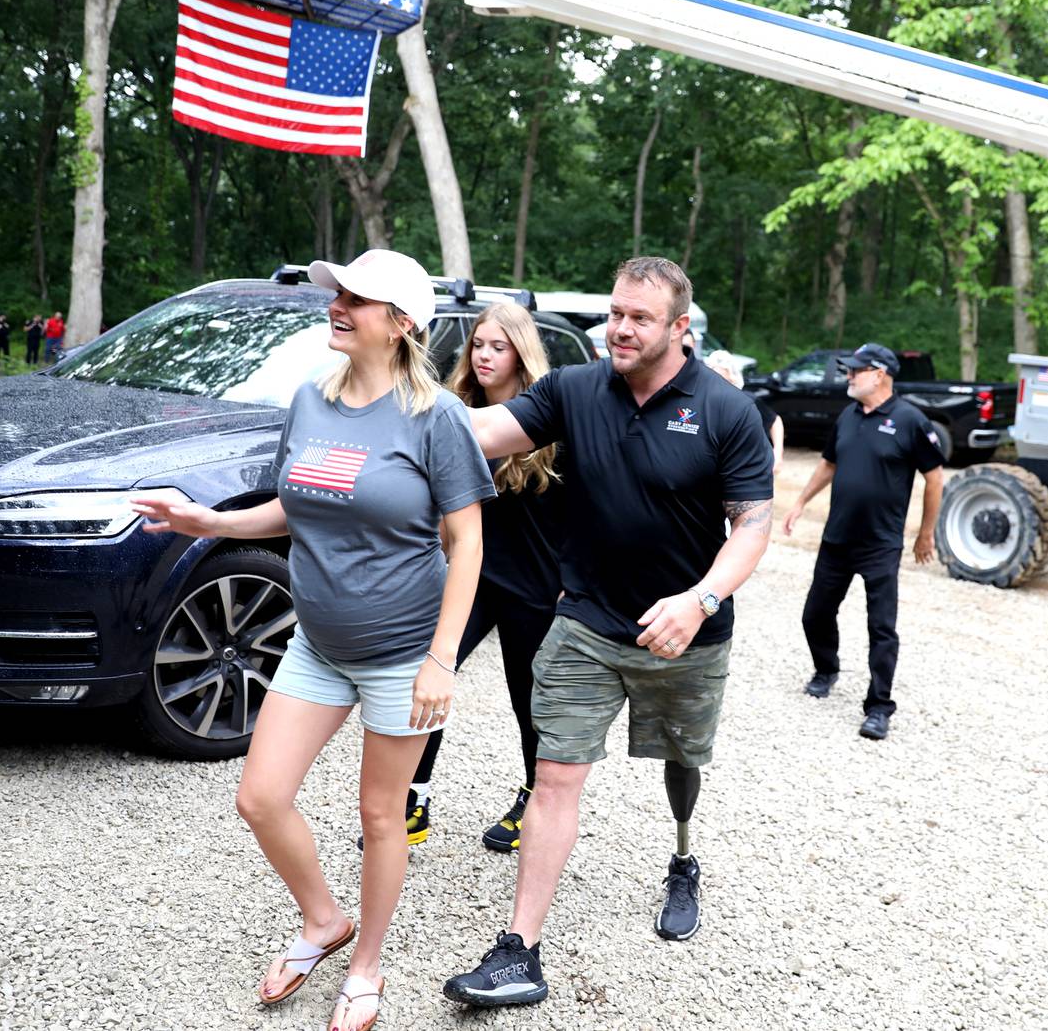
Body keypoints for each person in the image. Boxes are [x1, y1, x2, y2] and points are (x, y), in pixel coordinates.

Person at [131, 249, 495, 1031]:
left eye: (356, 299)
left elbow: (466, 543)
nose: (337, 305)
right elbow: (299, 506)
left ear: (401, 325)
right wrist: (214, 522)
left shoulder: (439, 418)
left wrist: (441, 659)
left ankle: (366, 968)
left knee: (379, 816)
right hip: (317, 644)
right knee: (259, 797)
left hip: (403, 654)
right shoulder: (311, 399)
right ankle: (324, 921)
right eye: (338, 294)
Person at [441, 257, 773, 1007]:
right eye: (617, 313)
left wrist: (701, 599)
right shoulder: (575, 388)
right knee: (554, 777)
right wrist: (386, 413)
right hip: (585, 620)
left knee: (681, 766)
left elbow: (752, 527)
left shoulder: (725, 411)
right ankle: (519, 951)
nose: (621, 328)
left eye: (640, 318)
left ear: (680, 327)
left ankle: (683, 856)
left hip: (683, 634)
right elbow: (484, 430)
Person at [399, 301, 565, 852]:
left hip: (536, 589)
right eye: (479, 345)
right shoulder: (455, 411)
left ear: (522, 352)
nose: (485, 355)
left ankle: (532, 795)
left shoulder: (551, 423)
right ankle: (412, 801)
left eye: (499, 345)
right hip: (470, 579)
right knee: (428, 679)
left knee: (529, 701)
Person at [783, 343, 945, 741]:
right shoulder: (848, 417)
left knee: (882, 628)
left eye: (856, 371)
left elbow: (935, 477)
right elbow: (829, 463)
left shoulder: (910, 421)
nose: (849, 376)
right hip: (837, 538)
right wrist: (801, 501)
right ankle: (826, 669)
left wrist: (925, 533)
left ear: (881, 374)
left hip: (880, 544)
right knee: (815, 614)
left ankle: (878, 708)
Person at [706, 348, 784, 474]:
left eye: (723, 382)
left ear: (732, 379)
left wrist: (778, 454)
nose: (718, 387)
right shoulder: (703, 405)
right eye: (713, 380)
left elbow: (775, 421)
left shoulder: (747, 401)